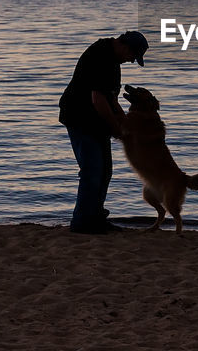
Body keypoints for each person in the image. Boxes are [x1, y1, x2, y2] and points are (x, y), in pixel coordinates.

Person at [59, 31, 149, 234]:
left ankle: (96, 217)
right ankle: (82, 223)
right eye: (133, 57)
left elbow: (112, 100)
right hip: (79, 117)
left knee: (105, 170)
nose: (131, 61)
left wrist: (125, 126)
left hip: (96, 120)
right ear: (125, 47)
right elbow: (98, 101)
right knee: (92, 171)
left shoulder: (114, 61)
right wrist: (117, 130)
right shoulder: (100, 56)